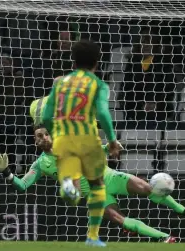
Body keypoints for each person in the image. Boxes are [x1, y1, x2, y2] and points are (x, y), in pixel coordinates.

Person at [0, 124, 185, 243]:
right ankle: (166, 238)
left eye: (40, 135)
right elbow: (22, 186)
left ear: (48, 135)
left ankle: (183, 211)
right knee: (121, 220)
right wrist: (7, 172)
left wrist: (108, 147)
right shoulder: (40, 164)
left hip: (109, 177)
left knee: (149, 189)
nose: (37, 139)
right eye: (35, 137)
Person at [41, 39, 122, 247]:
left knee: (72, 191)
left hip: (63, 141)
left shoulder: (60, 82)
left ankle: (70, 188)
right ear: (97, 61)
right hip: (88, 140)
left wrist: (53, 133)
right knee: (97, 185)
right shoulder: (99, 85)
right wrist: (112, 140)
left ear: (73, 61)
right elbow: (103, 114)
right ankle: (92, 236)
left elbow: (48, 114)